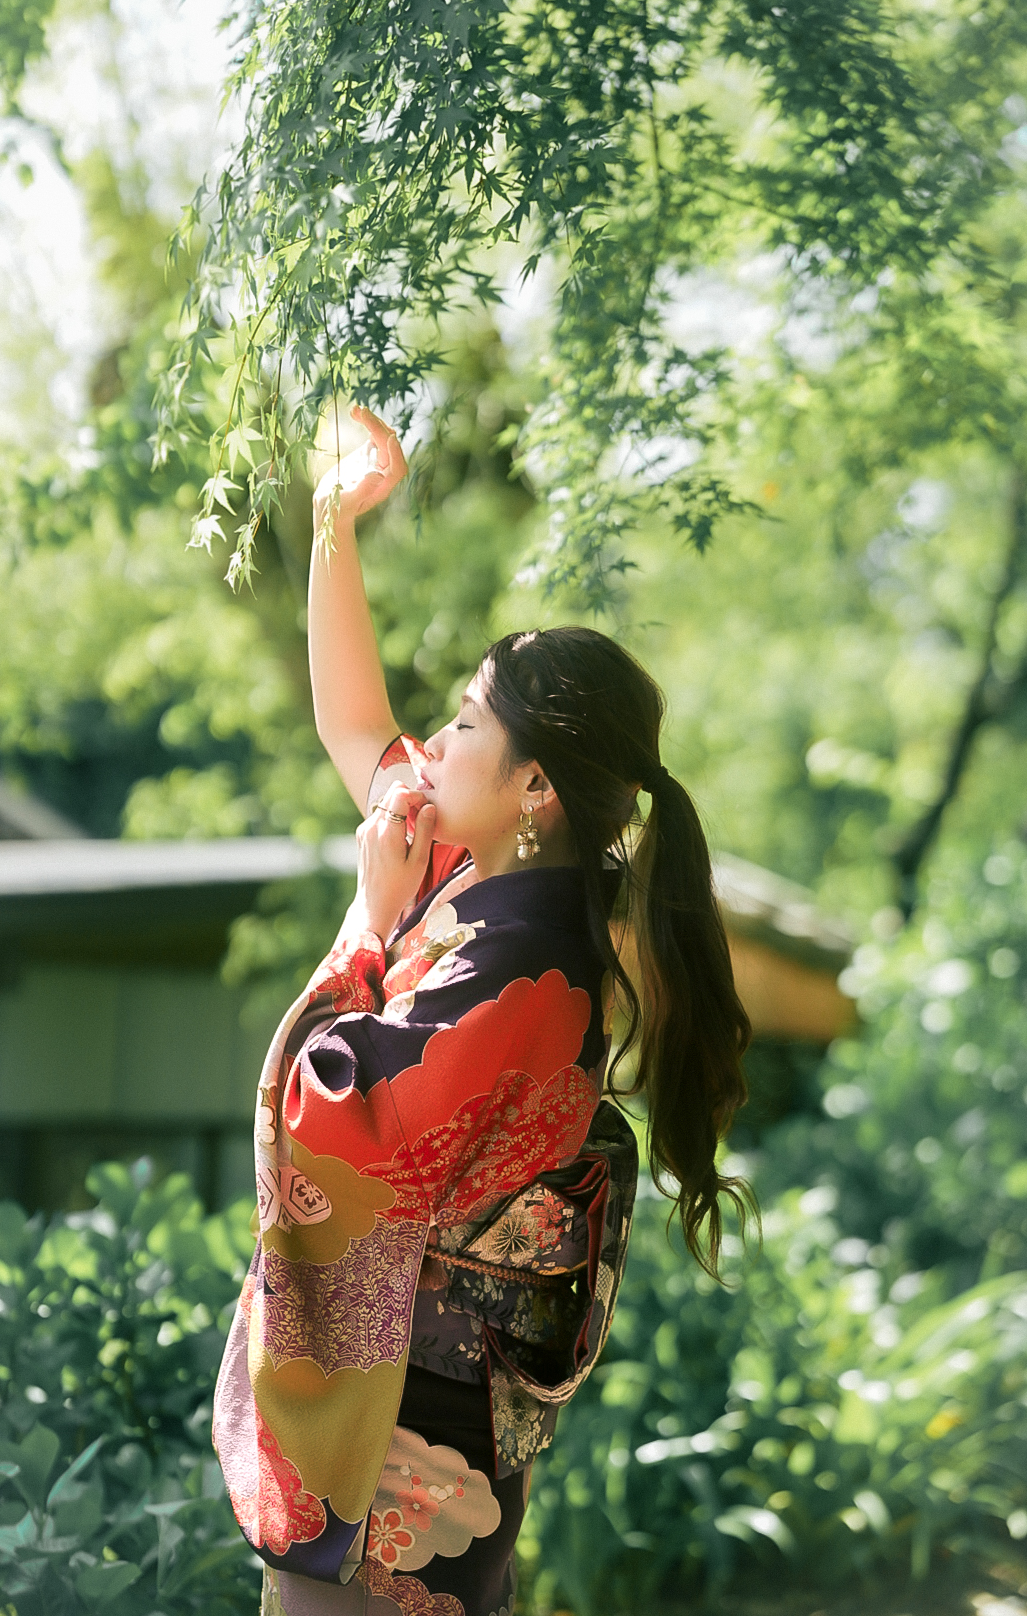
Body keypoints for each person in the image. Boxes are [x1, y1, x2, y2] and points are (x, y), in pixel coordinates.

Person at [212, 408, 753, 1616]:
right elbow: (353, 722)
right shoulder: (470, 872)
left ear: (536, 787)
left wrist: (363, 925)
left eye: (465, 721)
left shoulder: (525, 982)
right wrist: (333, 522)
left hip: (409, 1439)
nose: (435, 737)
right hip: (398, 1421)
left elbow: (327, 1126)